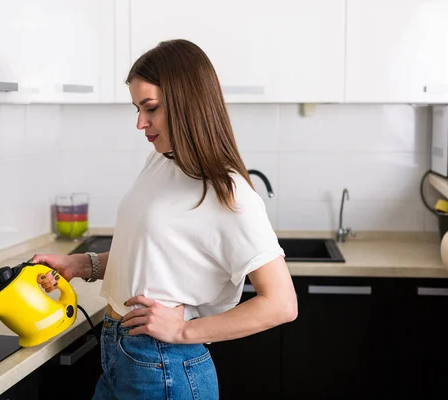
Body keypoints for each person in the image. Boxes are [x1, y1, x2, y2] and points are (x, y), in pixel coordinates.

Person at [32, 39, 297, 400]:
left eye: (150, 108)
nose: (141, 122)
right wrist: (82, 264)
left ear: (187, 103)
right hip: (119, 353)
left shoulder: (228, 192)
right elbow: (152, 256)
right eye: (137, 108)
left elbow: (281, 303)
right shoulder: (160, 162)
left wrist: (185, 331)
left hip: (164, 366)